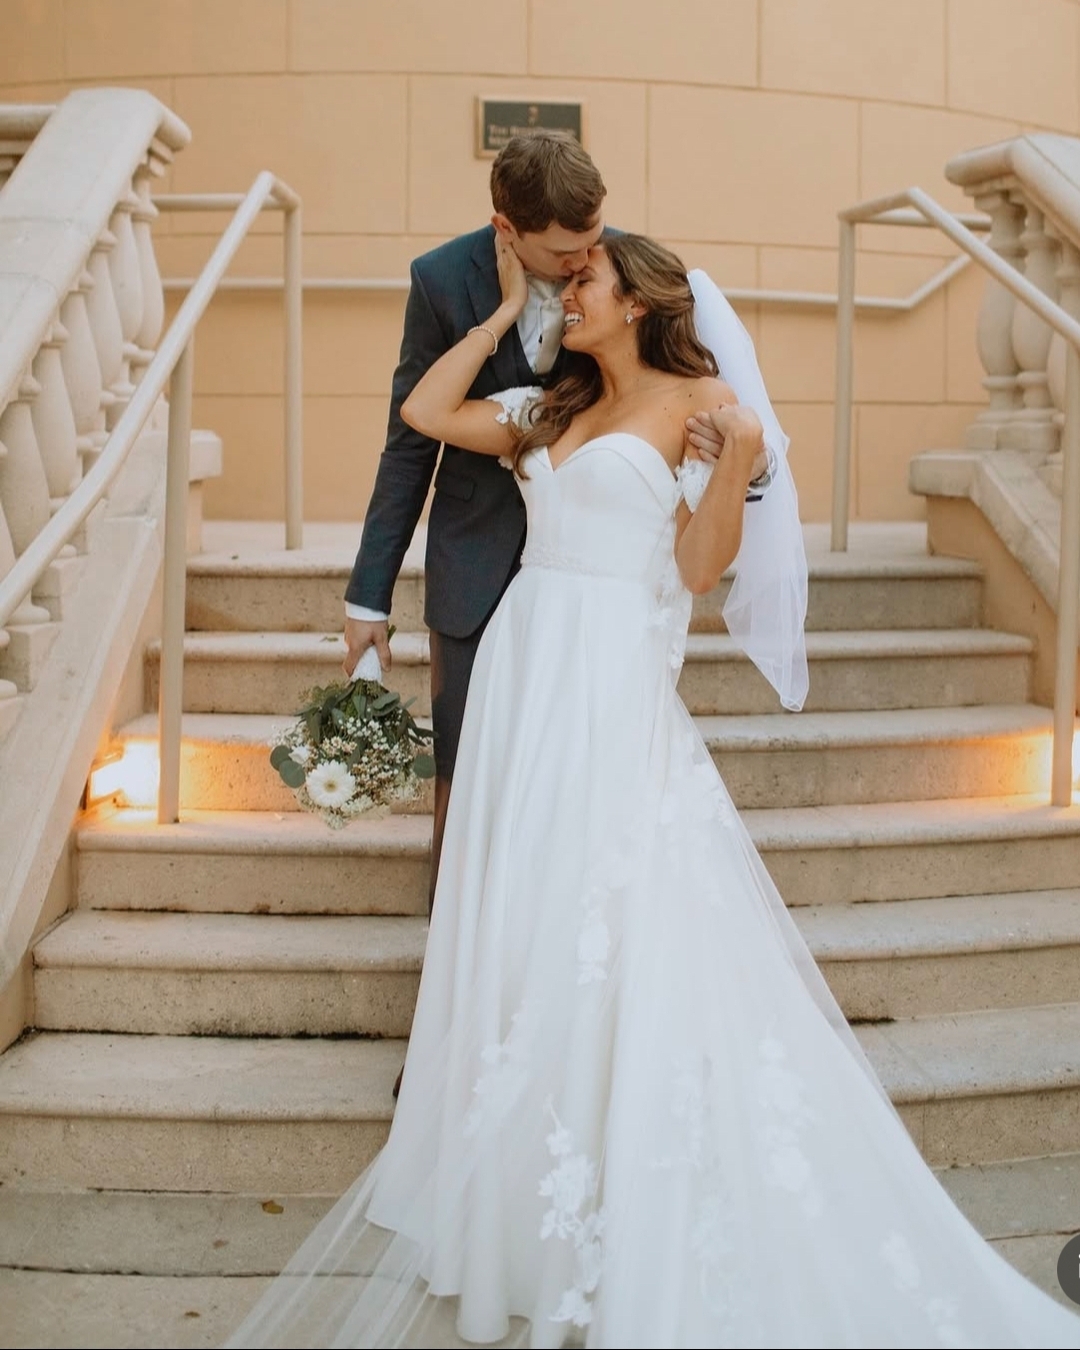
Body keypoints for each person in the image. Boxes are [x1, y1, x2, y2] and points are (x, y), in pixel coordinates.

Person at [228, 235, 1080, 1348]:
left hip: (613, 676)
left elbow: (695, 569)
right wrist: (496, 322)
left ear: (637, 300)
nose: (563, 294)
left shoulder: (705, 399)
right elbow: (430, 414)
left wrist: (732, 464)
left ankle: (616, 1183)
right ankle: (517, 1187)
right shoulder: (545, 401)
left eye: (580, 281)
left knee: (612, 918)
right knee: (527, 913)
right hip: (528, 662)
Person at [342, 131, 771, 910]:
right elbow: (412, 438)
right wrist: (368, 598)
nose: (580, 268)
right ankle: (465, 964)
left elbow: (691, 420)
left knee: (590, 803)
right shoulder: (443, 282)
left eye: (593, 247)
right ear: (507, 230)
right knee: (468, 786)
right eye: (565, 252)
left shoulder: (620, 271)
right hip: (487, 580)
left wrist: (748, 458)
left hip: (609, 593)